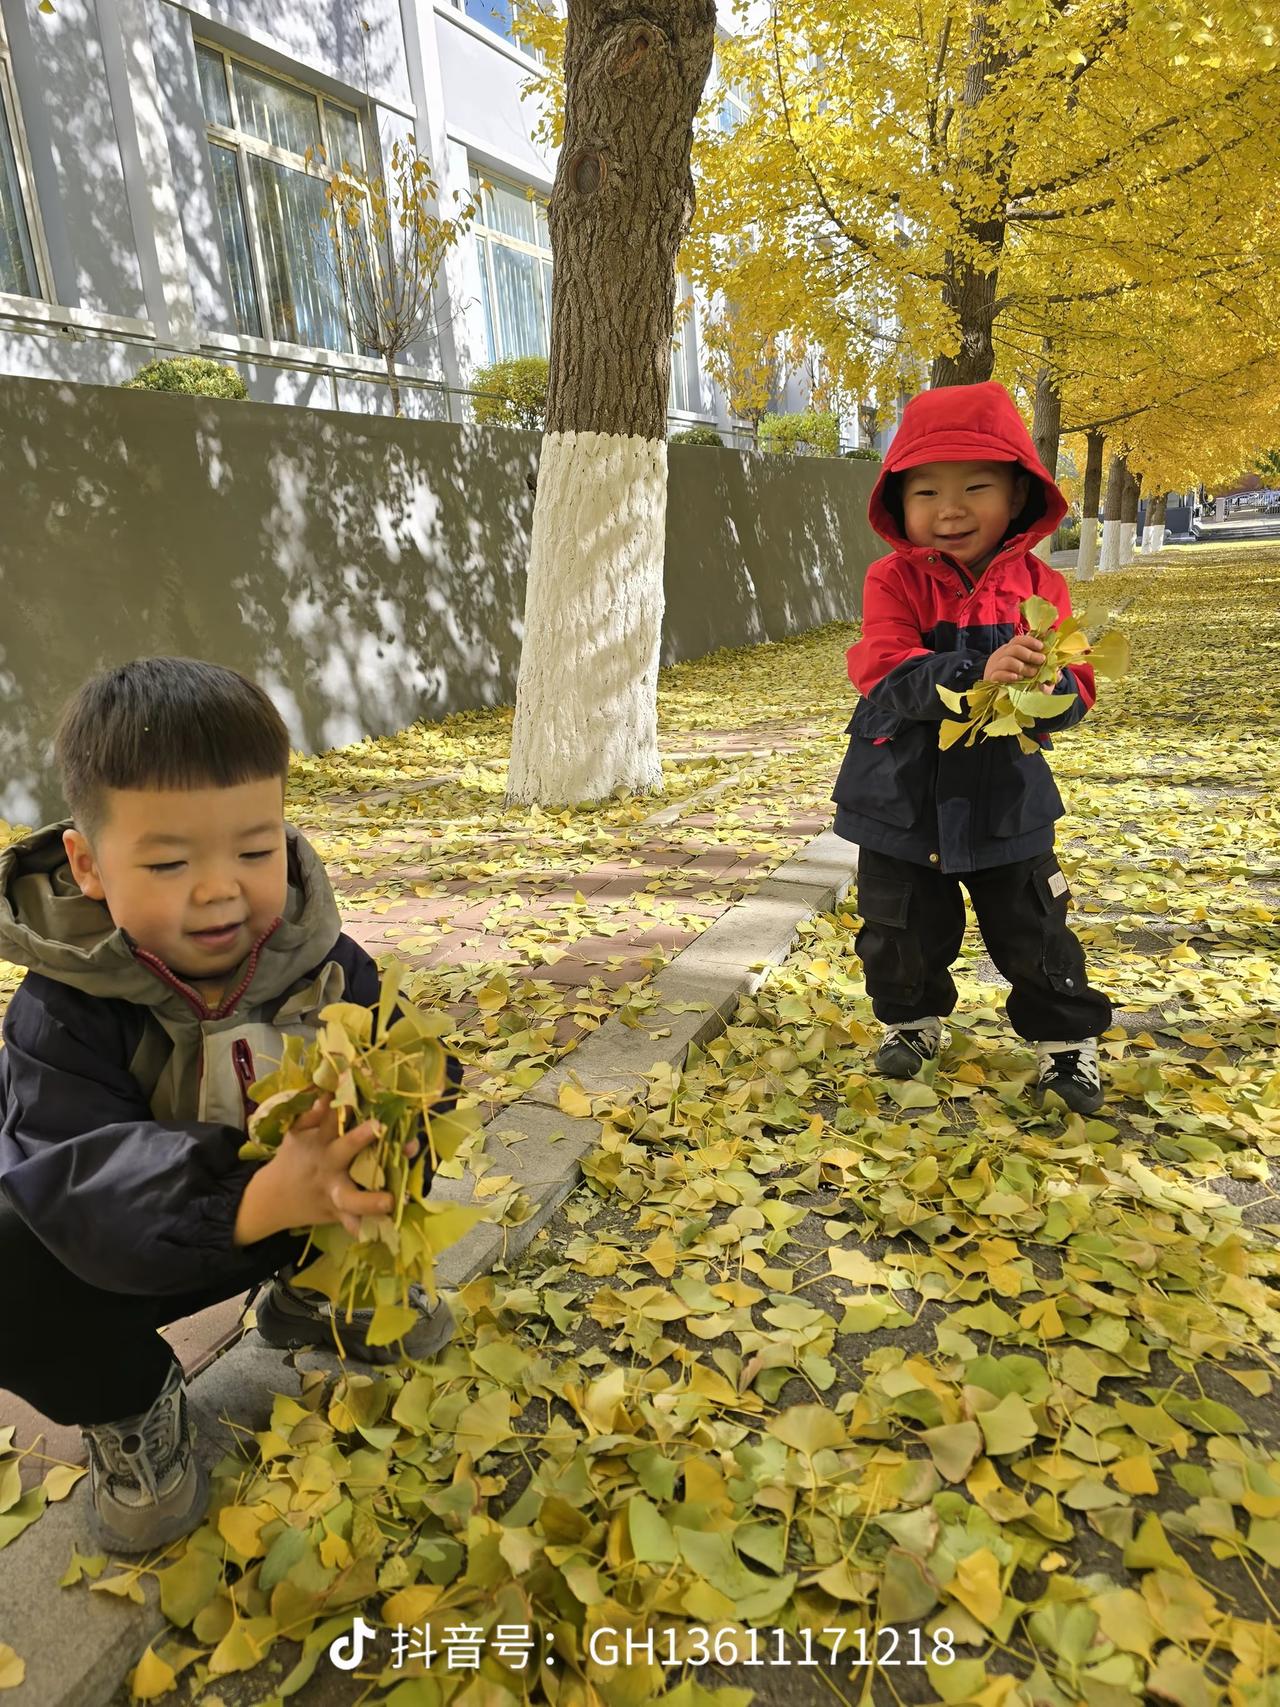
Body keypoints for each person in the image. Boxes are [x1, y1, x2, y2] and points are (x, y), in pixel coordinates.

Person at [0, 658, 461, 1554]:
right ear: (89, 865)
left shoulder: (324, 963)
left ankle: (324, 1292)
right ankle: (129, 1400)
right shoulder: (63, 1014)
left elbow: (406, 1056)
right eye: (169, 862)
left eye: (254, 851)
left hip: (302, 1212)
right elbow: (80, 1182)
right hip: (119, 1258)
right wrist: (256, 1199)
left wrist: (418, 1100)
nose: (219, 889)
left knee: (392, 1116)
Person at [831, 381, 1112, 1112]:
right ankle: (911, 1023)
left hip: (1005, 794)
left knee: (1034, 922)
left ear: (1018, 494)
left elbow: (1075, 683)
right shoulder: (892, 579)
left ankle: (1066, 1043)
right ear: (898, 503)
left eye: (975, 488)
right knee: (900, 925)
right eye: (926, 492)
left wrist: (1050, 685)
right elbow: (882, 666)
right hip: (899, 794)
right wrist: (970, 675)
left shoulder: (1040, 585)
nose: (949, 509)